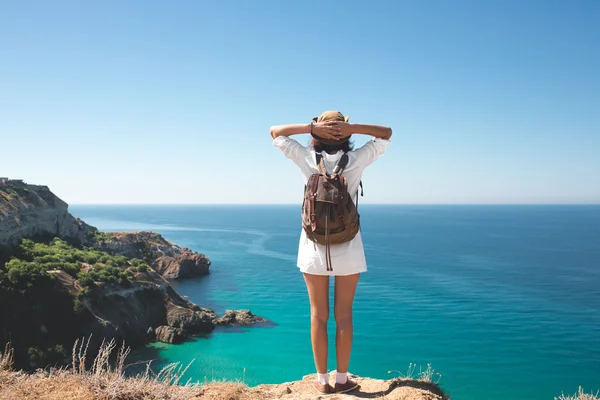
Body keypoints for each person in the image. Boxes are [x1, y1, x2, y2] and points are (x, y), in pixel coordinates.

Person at [270, 110, 392, 394]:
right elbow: (386, 133)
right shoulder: (357, 159)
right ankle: (342, 379)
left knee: (318, 315)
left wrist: (311, 128)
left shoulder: (307, 158)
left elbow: (275, 132)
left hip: (312, 249)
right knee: (344, 315)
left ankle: (322, 382)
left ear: (316, 135)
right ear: (346, 134)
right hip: (349, 247)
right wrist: (349, 128)